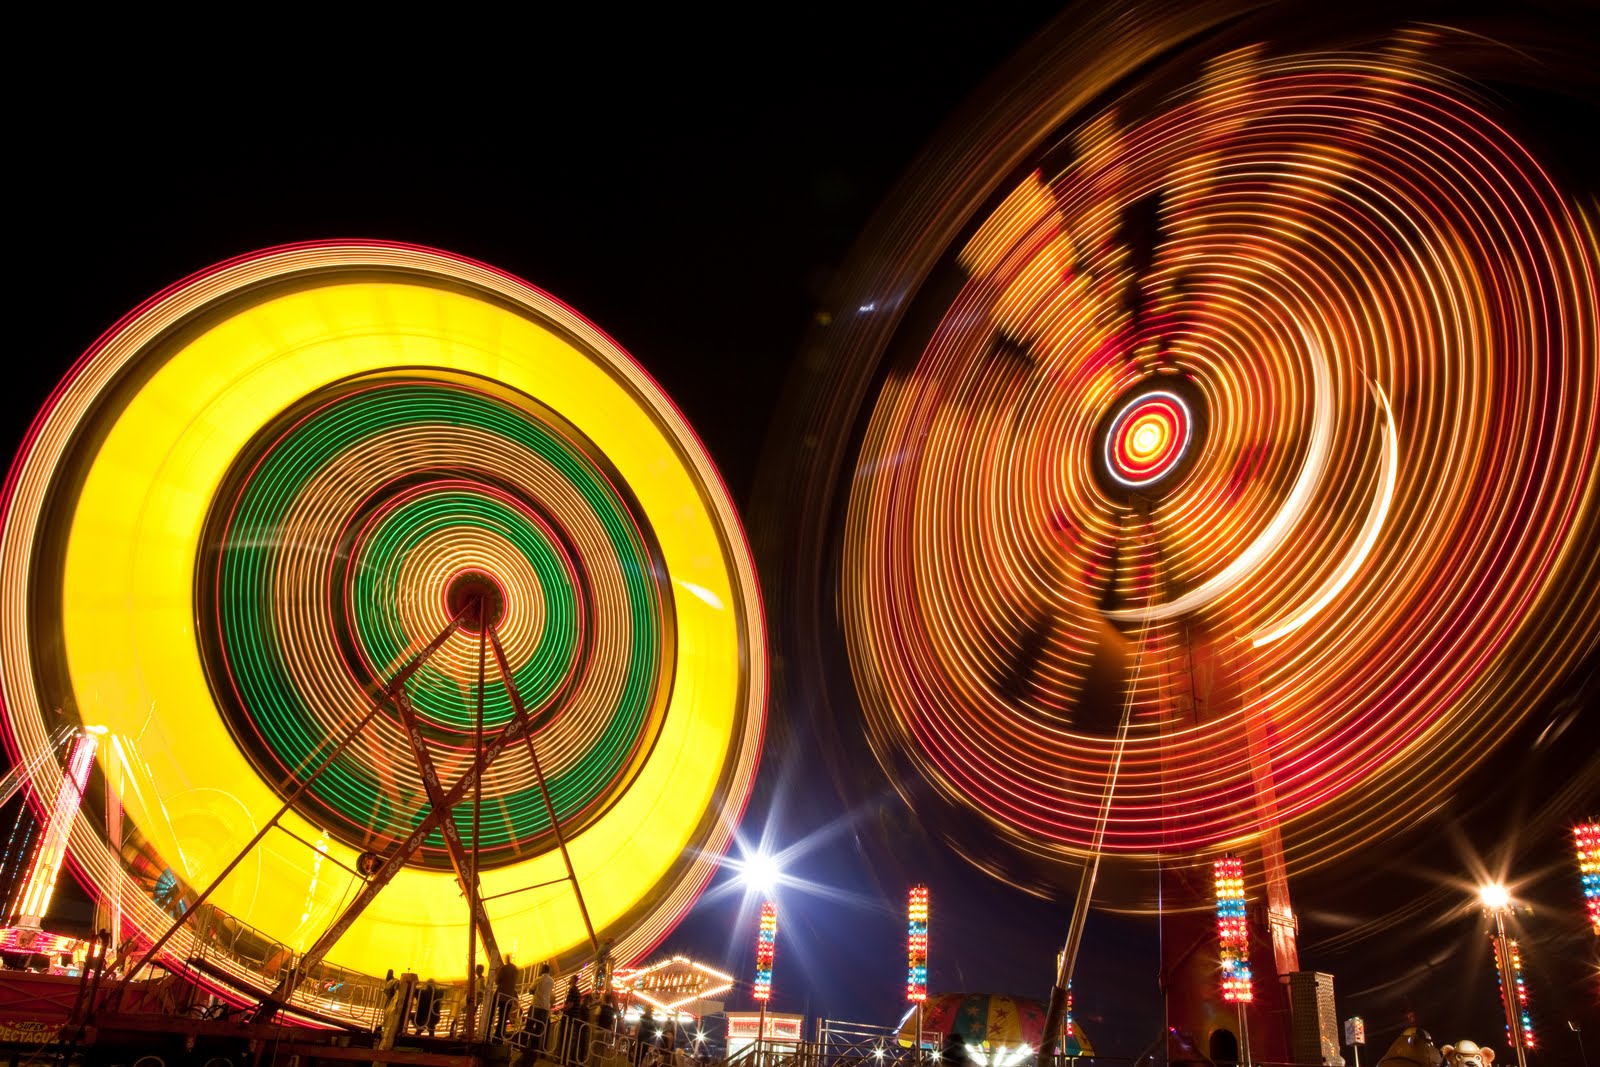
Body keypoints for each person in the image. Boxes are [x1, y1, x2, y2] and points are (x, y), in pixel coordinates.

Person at [527, 962, 554, 1050]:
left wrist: (535, 992)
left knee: (529, 1026)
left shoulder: (538, 979)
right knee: (539, 1030)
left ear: (542, 970)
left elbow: (530, 990)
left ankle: (525, 1046)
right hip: (545, 1008)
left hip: (536, 1006)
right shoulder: (552, 981)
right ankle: (534, 1049)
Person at [494, 955, 520, 1040]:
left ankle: (489, 1033)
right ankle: (500, 1035)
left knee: (491, 1014)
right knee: (503, 1018)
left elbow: (497, 981)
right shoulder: (515, 970)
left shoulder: (504, 969)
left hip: (501, 995)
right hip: (509, 997)